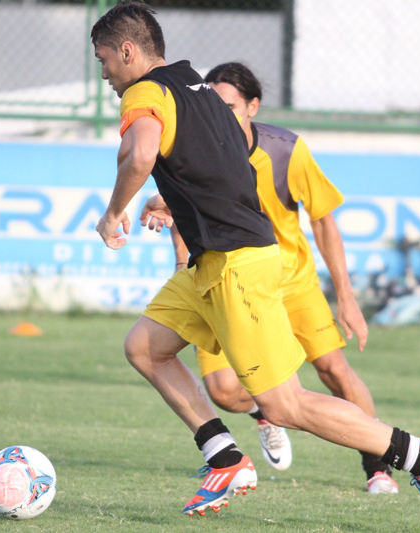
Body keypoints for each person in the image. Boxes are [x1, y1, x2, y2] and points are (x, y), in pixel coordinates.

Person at [91, 2, 420, 529]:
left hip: (237, 264)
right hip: (214, 261)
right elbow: (227, 165)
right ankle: (225, 459)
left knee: (286, 405)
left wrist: (113, 213)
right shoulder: (196, 86)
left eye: (104, 59)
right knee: (145, 348)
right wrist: (175, 201)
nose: (104, 73)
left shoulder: (144, 93)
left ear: (128, 51)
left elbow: (141, 155)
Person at [148, 61, 398, 494]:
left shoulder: (285, 151)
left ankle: (379, 466)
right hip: (228, 280)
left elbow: (323, 220)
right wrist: (175, 248)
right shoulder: (198, 147)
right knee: (224, 391)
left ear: (253, 106)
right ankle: (265, 414)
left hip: (292, 283)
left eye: (231, 107)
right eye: (215, 106)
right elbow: (181, 208)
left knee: (333, 370)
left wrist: (346, 295)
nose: (223, 116)